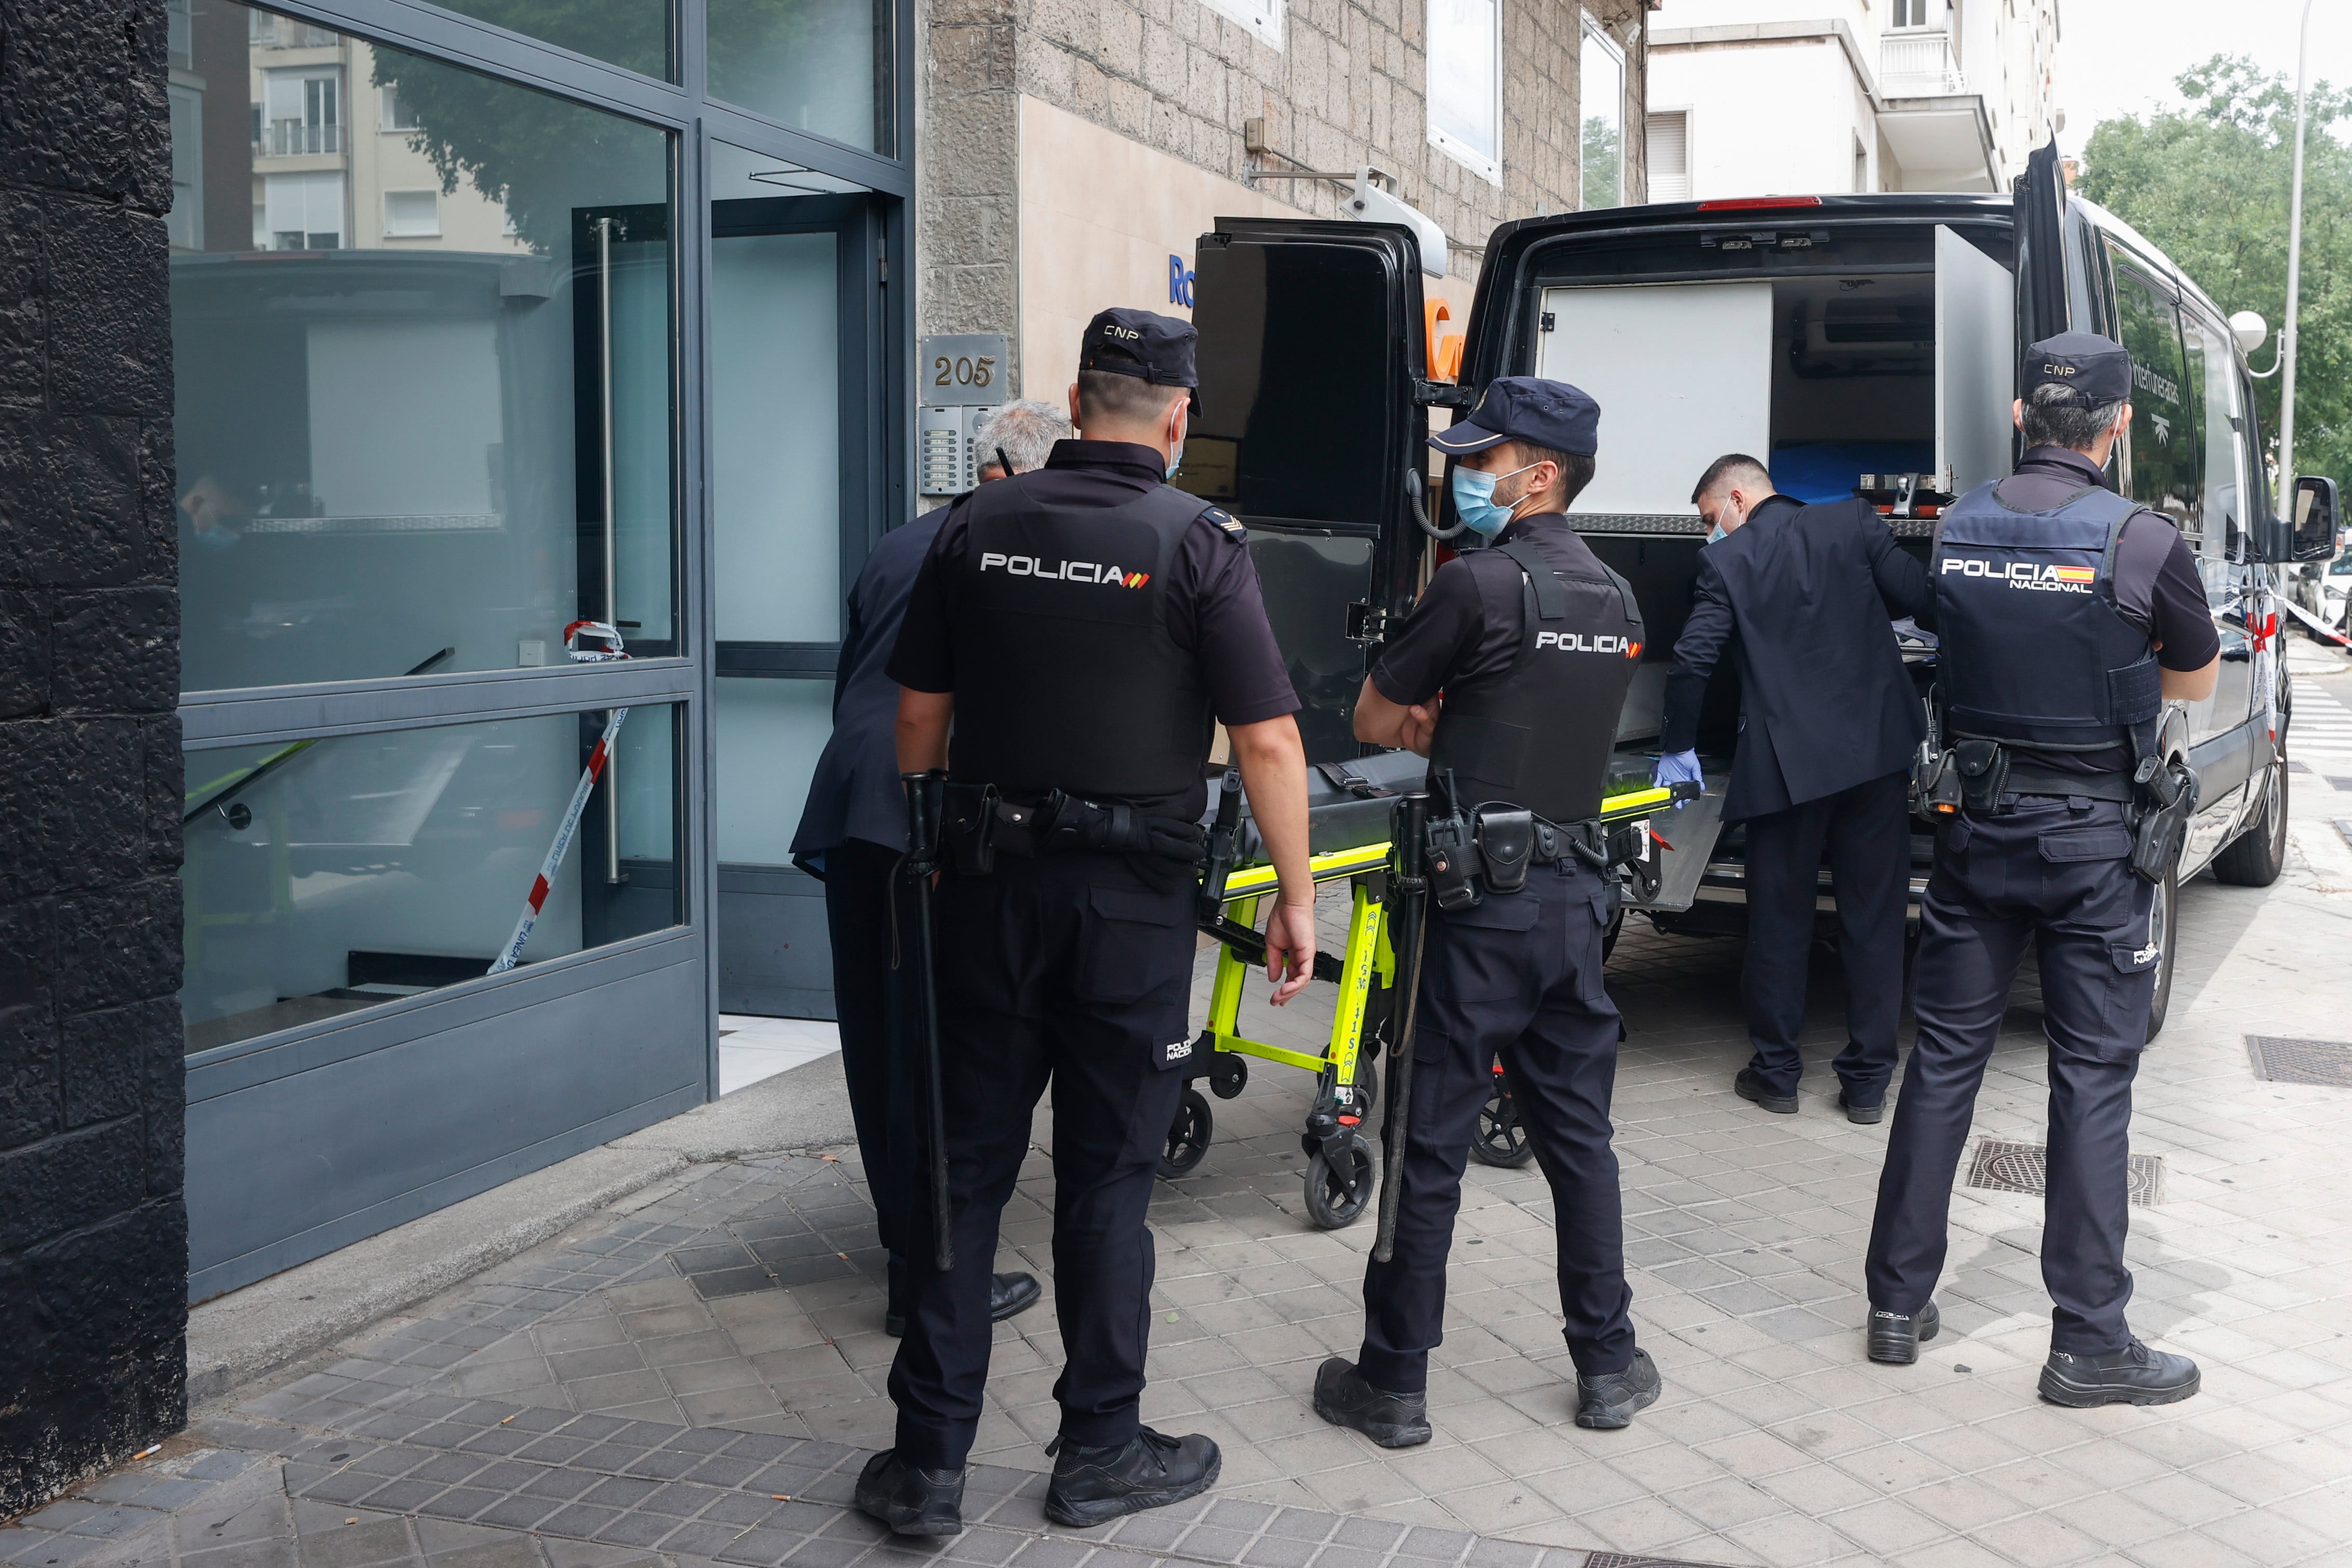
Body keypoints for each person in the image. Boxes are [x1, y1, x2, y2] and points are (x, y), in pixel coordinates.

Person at [858, 309, 1317, 1535]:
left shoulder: (973, 528)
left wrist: (933, 837)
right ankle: (1097, 1449)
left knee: (965, 1173)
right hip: (1129, 913)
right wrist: (1295, 892)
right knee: (1107, 1180)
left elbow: (917, 720)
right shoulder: (1200, 543)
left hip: (989, 893)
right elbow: (1267, 737)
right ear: (1176, 419)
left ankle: (927, 1466)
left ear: (1074, 398)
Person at [1864, 333, 2217, 1405]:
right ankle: (2088, 1339)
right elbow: (2193, 685)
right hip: (2092, 848)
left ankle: (1893, 1300)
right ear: (2113, 430)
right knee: (2090, 1076)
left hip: (1976, 826)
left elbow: (1947, 636)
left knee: (1942, 1063)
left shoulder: (1958, 524)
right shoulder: (2141, 540)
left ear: (2022, 415)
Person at [1312, 377, 1662, 1447]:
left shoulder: (1474, 586)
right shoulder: (1616, 597)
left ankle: (1395, 1381)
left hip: (1476, 914)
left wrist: (1436, 718)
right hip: (1576, 904)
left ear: (1539, 473)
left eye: (1484, 458)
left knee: (1430, 1140)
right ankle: (1606, 1363)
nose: (1465, 475)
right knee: (1580, 1142)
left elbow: (1374, 711)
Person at [789, 398, 1072, 1345]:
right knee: (943, 1046)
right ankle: (932, 1273)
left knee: (877, 1041)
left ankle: (907, 1252)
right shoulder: (1009, 547)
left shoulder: (896, 541)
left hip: (851, 799)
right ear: (1022, 469)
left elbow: (855, 678)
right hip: (932, 808)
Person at [1655, 456, 1932, 1123]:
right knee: (1874, 922)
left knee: (1778, 923)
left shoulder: (1727, 564)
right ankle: (1867, 1085)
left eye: (1708, 519)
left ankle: (1776, 1074)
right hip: (1874, 756)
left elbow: (1694, 658)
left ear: (1738, 500)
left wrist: (1677, 747)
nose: (1708, 534)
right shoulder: (1853, 525)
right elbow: (1924, 600)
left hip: (1784, 767)